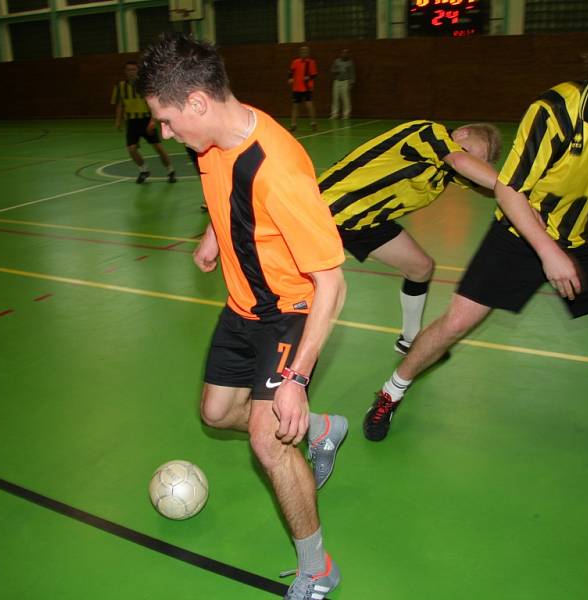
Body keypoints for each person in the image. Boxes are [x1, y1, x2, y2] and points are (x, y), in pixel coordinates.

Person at [364, 25, 588, 466]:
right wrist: (548, 252)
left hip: (584, 235)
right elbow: (509, 190)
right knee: (456, 322)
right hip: (520, 229)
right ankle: (391, 393)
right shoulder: (554, 110)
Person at [138, 34, 348, 599]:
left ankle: (317, 567)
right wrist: (214, 234)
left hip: (291, 310)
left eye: (165, 119)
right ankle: (325, 431)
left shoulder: (279, 170)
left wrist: (298, 379)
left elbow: (332, 282)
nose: (163, 131)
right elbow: (225, 193)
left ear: (198, 103)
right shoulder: (207, 142)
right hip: (242, 305)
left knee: (267, 439)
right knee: (214, 413)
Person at [318, 120, 501, 355]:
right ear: (462, 134)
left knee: (420, 267)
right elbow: (461, 160)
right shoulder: (429, 133)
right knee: (305, 292)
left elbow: (485, 186)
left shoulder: (448, 170)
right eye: (472, 154)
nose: (471, 164)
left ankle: (410, 339)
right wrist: (517, 189)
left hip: (364, 222)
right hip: (326, 210)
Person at [111, 60, 176, 184]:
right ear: (125, 72)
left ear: (138, 71)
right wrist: (118, 121)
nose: (131, 72)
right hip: (132, 122)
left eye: (133, 69)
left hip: (146, 120)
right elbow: (120, 105)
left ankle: (170, 171)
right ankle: (143, 170)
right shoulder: (120, 87)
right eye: (129, 70)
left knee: (158, 148)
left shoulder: (145, 86)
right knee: (132, 149)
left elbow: (153, 105)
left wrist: (152, 121)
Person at [288, 46, 317, 132]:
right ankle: (293, 125)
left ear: (308, 53)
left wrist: (309, 77)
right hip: (296, 88)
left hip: (307, 87)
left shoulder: (311, 62)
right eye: (302, 51)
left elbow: (314, 74)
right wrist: (290, 78)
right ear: (300, 53)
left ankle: (313, 123)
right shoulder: (295, 62)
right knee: (295, 106)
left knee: (309, 105)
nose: (304, 53)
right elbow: (291, 72)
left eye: (306, 51)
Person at [329, 49, 355, 119]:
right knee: (335, 98)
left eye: (346, 53)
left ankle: (346, 114)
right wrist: (336, 71)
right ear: (341, 54)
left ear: (347, 54)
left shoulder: (350, 63)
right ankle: (334, 114)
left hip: (345, 81)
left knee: (345, 98)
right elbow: (332, 70)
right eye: (343, 53)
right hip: (337, 81)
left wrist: (351, 83)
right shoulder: (337, 61)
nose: (344, 54)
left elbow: (352, 74)